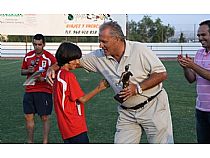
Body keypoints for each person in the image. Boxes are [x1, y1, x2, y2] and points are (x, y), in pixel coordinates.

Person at [46, 21, 174, 144]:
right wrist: (53, 67)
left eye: (104, 41)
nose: (100, 45)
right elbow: (72, 61)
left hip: (153, 107)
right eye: (99, 41)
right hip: (127, 112)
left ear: (117, 39)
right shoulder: (98, 56)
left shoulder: (139, 50)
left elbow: (161, 74)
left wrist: (138, 88)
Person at [53, 42, 109, 143]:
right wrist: (100, 88)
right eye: (74, 59)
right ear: (67, 59)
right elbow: (82, 99)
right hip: (74, 125)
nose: (77, 62)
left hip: (64, 126)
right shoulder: (68, 76)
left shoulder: (59, 75)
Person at [177, 20, 210, 143]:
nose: (200, 38)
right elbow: (192, 79)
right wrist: (186, 67)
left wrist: (193, 65)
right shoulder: (199, 53)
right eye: (198, 36)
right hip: (201, 109)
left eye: (203, 35)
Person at [21, 34, 57, 143]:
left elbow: (57, 67)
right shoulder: (28, 56)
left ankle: (45, 142)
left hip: (44, 90)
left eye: (39, 44)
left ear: (44, 44)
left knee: (44, 117)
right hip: (29, 89)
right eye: (35, 44)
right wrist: (28, 71)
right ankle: (30, 142)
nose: (37, 47)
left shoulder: (49, 57)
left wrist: (45, 77)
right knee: (28, 116)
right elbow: (22, 71)